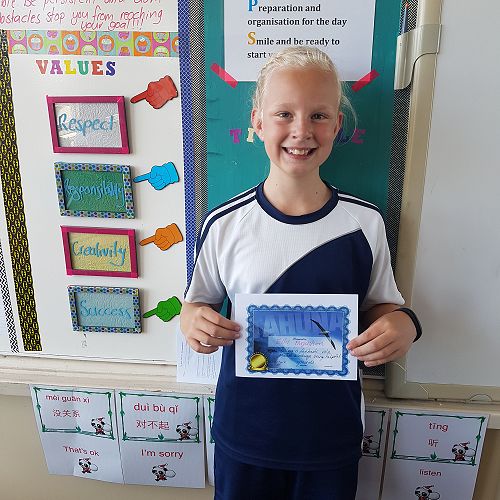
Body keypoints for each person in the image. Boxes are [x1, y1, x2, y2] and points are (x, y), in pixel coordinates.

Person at [180, 46, 421, 500]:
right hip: (244, 436)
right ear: (257, 122)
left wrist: (403, 325)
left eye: (318, 115)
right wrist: (192, 321)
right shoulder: (224, 224)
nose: (301, 131)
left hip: (331, 439)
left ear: (337, 125)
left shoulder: (365, 222)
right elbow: (197, 304)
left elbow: (384, 305)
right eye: (284, 114)